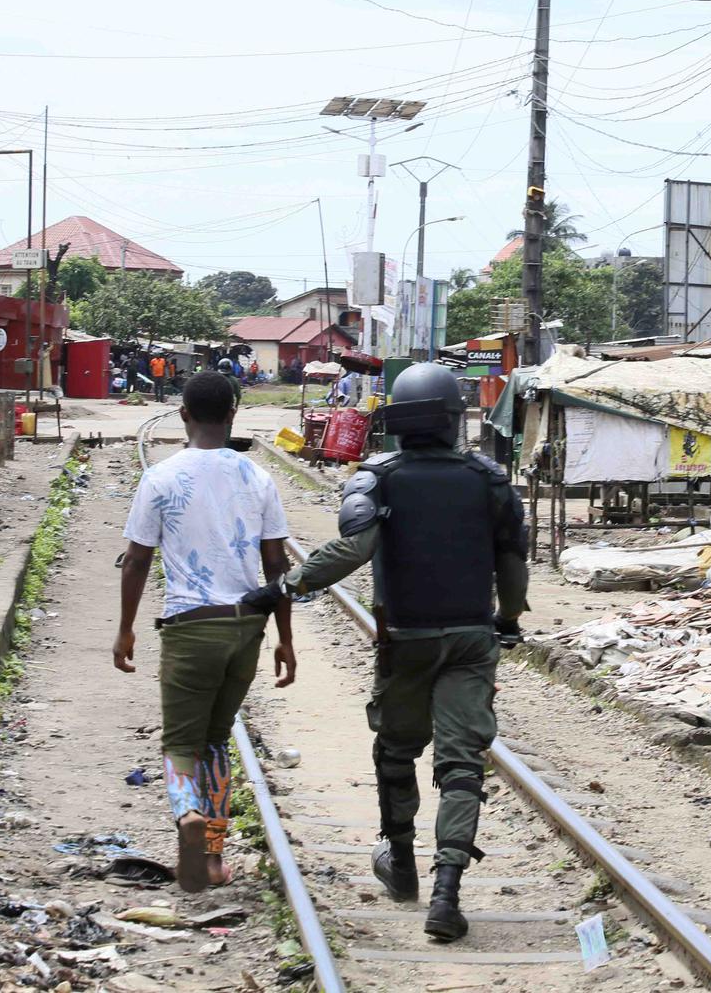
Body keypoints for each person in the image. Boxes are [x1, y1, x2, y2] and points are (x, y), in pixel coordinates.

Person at [243, 363, 528, 943]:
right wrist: (507, 619)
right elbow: (513, 567)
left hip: (406, 639)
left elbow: (353, 549)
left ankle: (400, 864)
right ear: (453, 419)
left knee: (396, 750)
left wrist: (286, 588)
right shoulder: (490, 481)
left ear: (398, 419)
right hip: (472, 640)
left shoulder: (380, 479)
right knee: (462, 764)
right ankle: (447, 892)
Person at [116, 371, 298, 891]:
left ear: (183, 416)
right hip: (246, 628)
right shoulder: (258, 478)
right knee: (217, 740)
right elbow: (276, 565)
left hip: (189, 627)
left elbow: (136, 560)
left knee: (180, 743)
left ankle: (187, 816)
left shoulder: (161, 478)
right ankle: (214, 858)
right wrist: (285, 637)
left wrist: (126, 629)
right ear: (234, 415)